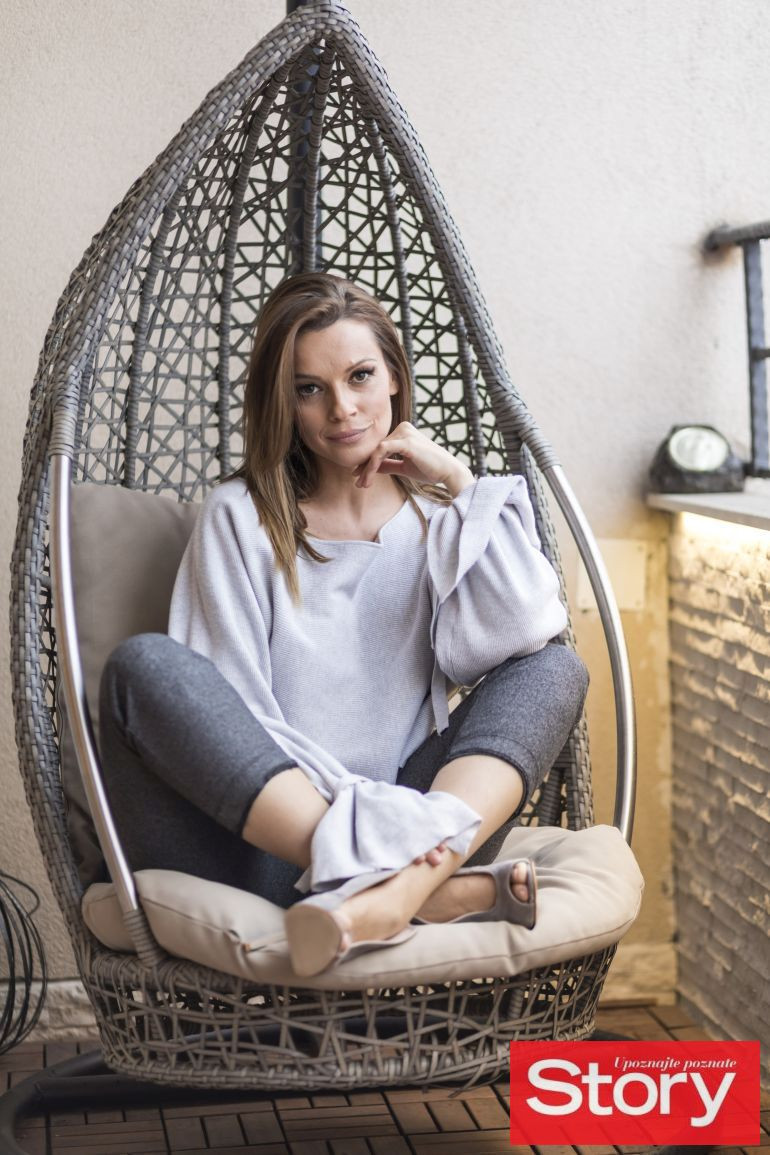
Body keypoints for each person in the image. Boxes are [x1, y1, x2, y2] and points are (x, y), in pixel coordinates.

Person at [98, 272, 589, 977]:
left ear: (394, 378)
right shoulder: (241, 517)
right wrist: (357, 823)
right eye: (310, 389)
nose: (343, 409)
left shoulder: (436, 520)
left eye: (360, 376)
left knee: (553, 667)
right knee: (143, 667)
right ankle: (410, 887)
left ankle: (400, 892)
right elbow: (236, 711)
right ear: (285, 403)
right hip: (264, 842)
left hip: (415, 820)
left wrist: (458, 483)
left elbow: (529, 623)